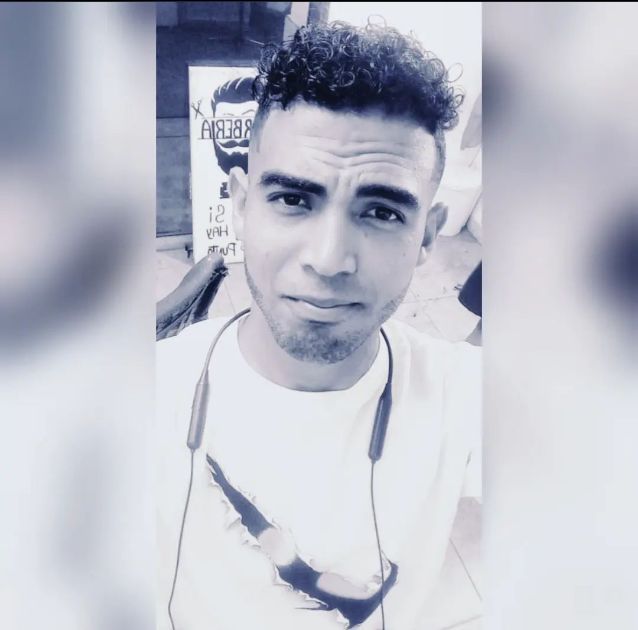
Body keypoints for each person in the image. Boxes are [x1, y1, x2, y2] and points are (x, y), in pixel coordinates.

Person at [157, 21, 481, 630]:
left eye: (381, 211)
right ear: (241, 204)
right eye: (293, 199)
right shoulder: (143, 393)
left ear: (428, 235)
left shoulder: (467, 395)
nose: (329, 260)